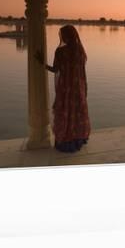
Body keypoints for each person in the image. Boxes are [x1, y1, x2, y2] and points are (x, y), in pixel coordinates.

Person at [34, 25, 90, 153]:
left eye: (62, 35)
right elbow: (82, 72)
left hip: (66, 89)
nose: (61, 37)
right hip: (78, 88)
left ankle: (66, 141)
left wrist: (42, 63)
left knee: (65, 113)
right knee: (76, 113)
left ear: (65, 36)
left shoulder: (60, 52)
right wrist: (84, 88)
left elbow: (55, 70)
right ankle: (77, 139)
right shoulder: (80, 51)